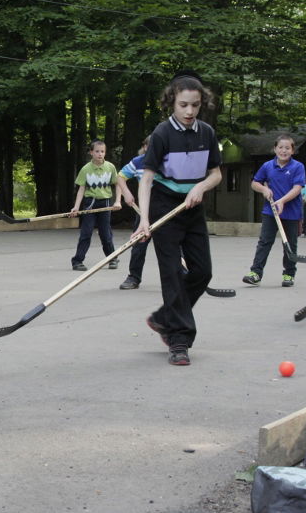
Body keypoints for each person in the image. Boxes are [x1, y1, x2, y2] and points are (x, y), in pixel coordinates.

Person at [136, 71, 222, 366]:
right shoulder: (162, 134)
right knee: (172, 273)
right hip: (165, 207)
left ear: (202, 104)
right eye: (184, 105)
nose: (189, 111)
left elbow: (216, 174)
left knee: (202, 271)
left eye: (195, 105)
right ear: (172, 102)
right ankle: (179, 340)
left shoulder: (207, 133)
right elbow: (146, 179)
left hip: (192, 208)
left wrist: (200, 187)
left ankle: (163, 318)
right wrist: (143, 221)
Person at [242, 135, 305, 288]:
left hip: (291, 212)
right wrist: (264, 189)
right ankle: (256, 273)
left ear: (293, 150)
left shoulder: (298, 167)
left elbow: (297, 188)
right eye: (281, 147)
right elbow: (255, 183)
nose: (284, 151)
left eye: (287, 148)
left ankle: (289, 274)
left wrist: (282, 201)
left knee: (290, 244)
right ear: (275, 149)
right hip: (270, 211)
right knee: (264, 242)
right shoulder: (267, 166)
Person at [69, 139, 120, 271]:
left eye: (102, 151)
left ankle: (112, 258)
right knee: (86, 233)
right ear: (91, 152)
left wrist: (118, 201)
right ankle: (77, 261)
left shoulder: (110, 167)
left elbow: (118, 184)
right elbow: (81, 189)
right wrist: (76, 207)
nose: (100, 154)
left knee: (105, 234)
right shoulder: (85, 169)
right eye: (97, 151)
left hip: (106, 203)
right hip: (90, 203)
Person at [117, 136, 151, 289]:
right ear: (144, 147)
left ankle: (183, 275)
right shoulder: (138, 162)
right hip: (143, 210)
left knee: (175, 245)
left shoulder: (167, 161)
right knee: (138, 244)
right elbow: (120, 176)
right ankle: (133, 277)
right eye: (150, 147)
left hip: (165, 209)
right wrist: (126, 193)